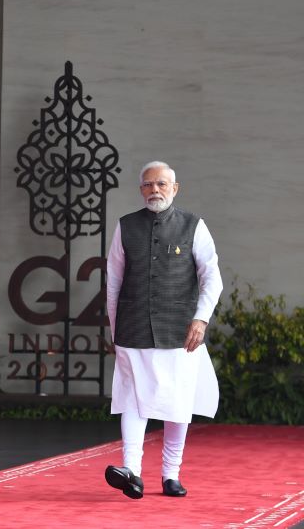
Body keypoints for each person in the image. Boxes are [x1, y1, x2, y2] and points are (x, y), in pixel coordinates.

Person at [104, 160, 222, 499]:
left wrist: (201, 319)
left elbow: (212, 277)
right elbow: (113, 280)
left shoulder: (193, 226)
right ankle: (132, 472)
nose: (154, 190)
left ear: (174, 188)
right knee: (132, 399)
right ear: (140, 189)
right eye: (148, 184)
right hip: (133, 327)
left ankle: (171, 474)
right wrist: (115, 328)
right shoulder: (126, 226)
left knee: (177, 401)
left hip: (180, 330)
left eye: (161, 184)